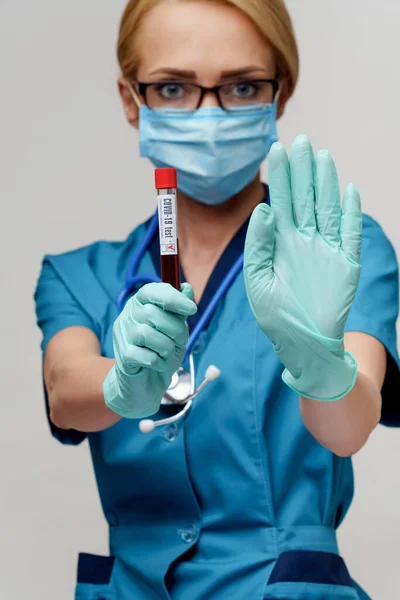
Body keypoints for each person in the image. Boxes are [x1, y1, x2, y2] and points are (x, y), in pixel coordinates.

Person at [34, 0, 399, 598]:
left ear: (280, 95)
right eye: (173, 87)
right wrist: (118, 385)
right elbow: (64, 392)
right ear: (132, 99)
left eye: (242, 86)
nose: (208, 114)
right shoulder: (80, 275)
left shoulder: (338, 255)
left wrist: (321, 364)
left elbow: (346, 429)